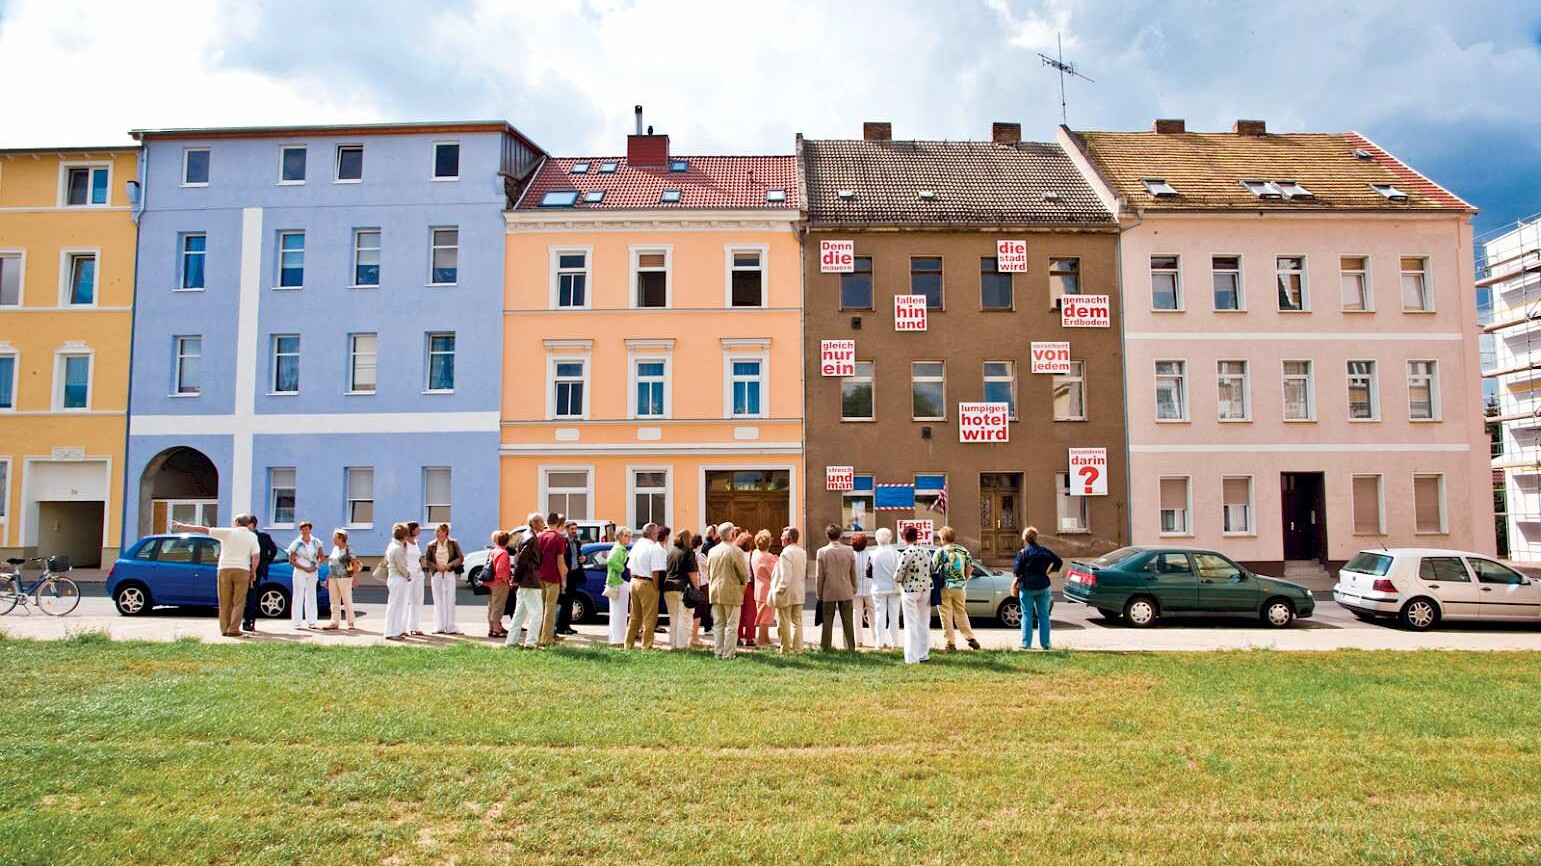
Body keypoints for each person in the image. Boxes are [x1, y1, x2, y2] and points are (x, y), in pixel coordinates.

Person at [171, 514, 260, 638]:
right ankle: (234, 629)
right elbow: (256, 556)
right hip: (242, 569)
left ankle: (224, 629)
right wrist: (253, 571)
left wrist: (183, 526)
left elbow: (203, 529)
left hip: (225, 568)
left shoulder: (227, 532)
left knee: (224, 600)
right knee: (239, 601)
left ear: (237, 522)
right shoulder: (252, 536)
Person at [932, 526, 981, 651]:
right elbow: (970, 567)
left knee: (946, 614)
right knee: (961, 612)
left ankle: (950, 642)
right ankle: (970, 637)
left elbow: (933, 568)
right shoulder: (963, 551)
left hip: (944, 587)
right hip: (959, 587)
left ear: (943, 539)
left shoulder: (941, 552)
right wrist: (964, 579)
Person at [1013, 526, 1062, 651]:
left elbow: (1017, 571)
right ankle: (1046, 644)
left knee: (1027, 615)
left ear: (1025, 539)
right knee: (1044, 615)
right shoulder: (1044, 551)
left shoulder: (1023, 553)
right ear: (1036, 538)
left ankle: (1026, 643)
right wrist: (1050, 571)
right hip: (1043, 585)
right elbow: (1058, 561)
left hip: (1027, 587)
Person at [706, 523, 749, 659]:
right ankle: (729, 654)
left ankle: (718, 652)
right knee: (731, 624)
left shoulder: (712, 551)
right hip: (731, 590)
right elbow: (743, 574)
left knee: (718, 624)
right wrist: (743, 586)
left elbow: (708, 571)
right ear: (732, 534)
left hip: (715, 590)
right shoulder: (736, 551)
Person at [815, 524, 858, 651]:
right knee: (848, 621)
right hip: (845, 588)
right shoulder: (849, 550)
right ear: (839, 535)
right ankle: (850, 647)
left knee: (827, 621)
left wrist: (819, 592)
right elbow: (853, 571)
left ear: (827, 536)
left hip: (829, 590)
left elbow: (819, 575)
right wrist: (854, 586)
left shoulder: (822, 551)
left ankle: (826, 646)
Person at [506, 512, 546, 649]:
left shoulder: (525, 535)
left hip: (525, 580)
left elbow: (519, 559)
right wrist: (516, 578)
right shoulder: (531, 538)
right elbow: (522, 560)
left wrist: (516, 578)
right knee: (537, 613)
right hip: (530, 580)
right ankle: (531, 643)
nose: (543, 524)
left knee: (520, 612)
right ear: (535, 523)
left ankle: (511, 641)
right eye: (541, 522)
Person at [895, 525, 933, 664]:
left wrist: (897, 580)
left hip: (910, 589)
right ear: (917, 536)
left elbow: (899, 574)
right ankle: (923, 654)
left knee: (910, 623)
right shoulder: (927, 552)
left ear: (904, 537)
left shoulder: (906, 553)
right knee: (924, 622)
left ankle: (912, 657)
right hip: (926, 588)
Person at [625, 523, 665, 649]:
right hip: (647, 582)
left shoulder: (637, 545)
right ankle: (646, 646)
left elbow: (629, 566)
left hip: (634, 580)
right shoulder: (653, 548)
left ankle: (628, 644)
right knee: (649, 617)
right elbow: (655, 571)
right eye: (656, 532)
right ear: (653, 534)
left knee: (634, 616)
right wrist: (656, 587)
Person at [769, 526, 807, 654]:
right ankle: (798, 649)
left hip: (786, 592)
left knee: (783, 622)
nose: (780, 538)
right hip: (799, 591)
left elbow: (786, 575)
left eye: (783, 536)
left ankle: (784, 649)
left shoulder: (786, 553)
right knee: (797, 622)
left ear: (789, 539)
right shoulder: (802, 552)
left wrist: (779, 589)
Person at [532, 514, 569, 646]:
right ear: (558, 523)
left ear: (547, 522)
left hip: (539, 575)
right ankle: (547, 639)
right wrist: (563, 577)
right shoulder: (558, 538)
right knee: (550, 608)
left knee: (539, 607)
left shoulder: (539, 536)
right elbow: (560, 561)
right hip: (552, 576)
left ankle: (536, 636)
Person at [241, 517, 280, 633]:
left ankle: (249, 622)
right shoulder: (241, 536)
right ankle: (242, 621)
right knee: (242, 595)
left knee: (251, 596)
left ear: (252, 525)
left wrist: (265, 561)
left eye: (246, 524)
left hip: (256, 570)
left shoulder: (263, 537)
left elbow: (273, 550)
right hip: (242, 568)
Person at [425, 523, 465, 635]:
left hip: (449, 572)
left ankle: (451, 626)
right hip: (437, 573)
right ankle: (439, 626)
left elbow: (460, 558)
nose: (436, 533)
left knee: (450, 599)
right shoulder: (431, 545)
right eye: (436, 531)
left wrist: (448, 566)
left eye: (438, 531)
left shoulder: (453, 543)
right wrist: (437, 567)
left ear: (445, 532)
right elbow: (427, 561)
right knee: (438, 599)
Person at [663, 529, 698, 650]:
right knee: (685, 618)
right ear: (688, 539)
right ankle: (682, 645)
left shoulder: (671, 552)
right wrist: (697, 589)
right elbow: (692, 573)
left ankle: (673, 644)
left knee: (673, 618)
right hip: (682, 587)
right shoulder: (689, 553)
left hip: (668, 587)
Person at [286, 521, 324, 630]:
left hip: (313, 570)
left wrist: (315, 566)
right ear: (300, 530)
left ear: (310, 530)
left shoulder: (316, 542)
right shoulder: (296, 543)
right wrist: (304, 568)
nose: (305, 531)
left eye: (306, 529)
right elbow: (291, 560)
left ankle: (312, 621)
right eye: (303, 529)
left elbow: (321, 556)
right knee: (298, 595)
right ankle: (297, 623)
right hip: (300, 570)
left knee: (311, 595)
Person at [868, 528, 901, 650]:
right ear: (890, 537)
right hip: (893, 588)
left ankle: (879, 643)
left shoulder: (872, 554)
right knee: (894, 617)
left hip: (877, 587)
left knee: (879, 615)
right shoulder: (896, 553)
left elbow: (870, 572)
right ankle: (895, 643)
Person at [382, 522, 413, 641]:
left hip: (394, 578)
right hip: (398, 579)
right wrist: (408, 574)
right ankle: (391, 631)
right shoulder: (398, 549)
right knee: (396, 605)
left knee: (396, 605)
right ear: (405, 536)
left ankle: (396, 629)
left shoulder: (392, 546)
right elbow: (401, 567)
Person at [325, 528, 360, 630]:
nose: (333, 540)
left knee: (346, 599)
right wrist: (328, 578)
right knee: (334, 600)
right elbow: (331, 565)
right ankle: (334, 622)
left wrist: (355, 576)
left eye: (335, 537)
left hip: (345, 577)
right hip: (333, 577)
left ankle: (351, 622)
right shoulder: (334, 549)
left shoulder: (349, 549)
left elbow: (354, 563)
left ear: (341, 538)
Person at [604, 527, 634, 646]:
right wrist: (621, 568)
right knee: (619, 612)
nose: (629, 538)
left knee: (619, 612)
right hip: (616, 582)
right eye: (627, 536)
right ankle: (617, 639)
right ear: (621, 537)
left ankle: (616, 638)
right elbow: (610, 560)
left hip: (618, 582)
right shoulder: (618, 549)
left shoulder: (620, 549)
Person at [751, 530, 778, 648]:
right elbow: (775, 572)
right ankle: (761, 641)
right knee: (766, 617)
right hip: (767, 589)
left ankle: (766, 638)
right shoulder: (769, 557)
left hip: (758, 588)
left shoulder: (755, 553)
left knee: (763, 614)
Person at [556, 521, 583, 637]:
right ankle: (561, 626)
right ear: (566, 529)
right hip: (565, 574)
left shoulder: (577, 542)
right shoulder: (563, 541)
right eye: (572, 529)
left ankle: (567, 625)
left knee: (571, 601)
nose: (574, 531)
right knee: (564, 601)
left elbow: (578, 556)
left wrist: (583, 559)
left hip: (574, 574)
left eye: (575, 529)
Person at [850, 532, 875, 648]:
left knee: (857, 615)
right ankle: (876, 638)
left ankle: (858, 640)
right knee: (873, 614)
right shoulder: (871, 554)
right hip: (870, 588)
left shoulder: (851, 555)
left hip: (855, 589)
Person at [486, 530, 512, 638]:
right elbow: (500, 570)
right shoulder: (504, 553)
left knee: (491, 606)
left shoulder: (493, 551)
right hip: (499, 583)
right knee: (498, 607)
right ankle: (497, 629)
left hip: (491, 582)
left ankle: (492, 628)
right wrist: (507, 581)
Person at [736, 530, 758, 648]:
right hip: (749, 585)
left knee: (738, 612)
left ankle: (738, 637)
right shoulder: (752, 554)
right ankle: (750, 638)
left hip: (738, 585)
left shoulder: (736, 554)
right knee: (750, 613)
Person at [405, 522, 426, 636]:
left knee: (418, 600)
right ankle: (404, 627)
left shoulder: (416, 542)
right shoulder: (404, 543)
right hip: (408, 574)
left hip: (418, 574)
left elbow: (418, 559)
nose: (419, 530)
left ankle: (415, 626)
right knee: (406, 600)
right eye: (417, 528)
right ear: (412, 530)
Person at [691, 533, 712, 648]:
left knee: (694, 610)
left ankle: (693, 634)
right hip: (702, 584)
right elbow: (710, 565)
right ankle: (695, 636)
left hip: (693, 585)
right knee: (700, 610)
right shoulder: (700, 556)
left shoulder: (690, 554)